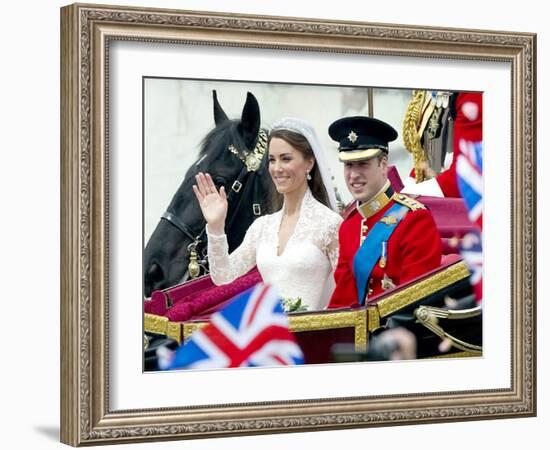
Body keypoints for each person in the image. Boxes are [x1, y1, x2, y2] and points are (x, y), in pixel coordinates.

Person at [193, 117, 342, 310]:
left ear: (309, 163)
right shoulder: (262, 226)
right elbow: (223, 276)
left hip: (314, 336)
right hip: (270, 335)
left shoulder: (330, 223)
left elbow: (344, 293)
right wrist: (215, 226)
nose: (277, 168)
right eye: (272, 160)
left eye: (286, 158)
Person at [327, 116, 442, 308]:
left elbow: (416, 301)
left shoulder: (415, 219)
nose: (354, 175)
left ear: (383, 165)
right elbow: (343, 302)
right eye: (348, 165)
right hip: (360, 335)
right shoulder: (349, 226)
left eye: (363, 164)